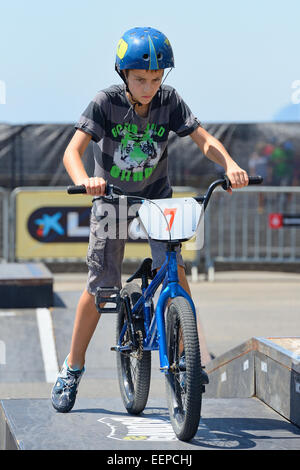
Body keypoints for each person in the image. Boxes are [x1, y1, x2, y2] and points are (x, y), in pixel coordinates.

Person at [51, 26, 249, 413]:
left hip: (157, 199)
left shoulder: (170, 101)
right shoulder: (104, 102)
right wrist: (84, 180)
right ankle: (72, 369)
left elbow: (204, 140)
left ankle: (187, 358)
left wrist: (231, 164)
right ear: (123, 74)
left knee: (174, 271)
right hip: (111, 200)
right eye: (141, 79)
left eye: (156, 79)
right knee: (101, 288)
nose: (149, 88)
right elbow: (72, 152)